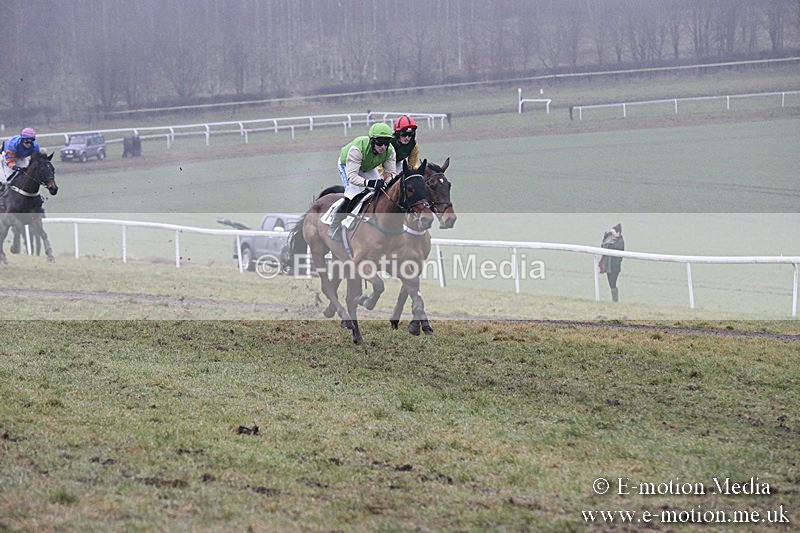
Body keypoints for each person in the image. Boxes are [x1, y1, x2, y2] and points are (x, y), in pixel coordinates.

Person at [328, 122, 397, 240]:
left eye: (386, 143)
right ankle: (334, 225)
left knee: (382, 191)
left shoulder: (390, 151)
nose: (383, 147)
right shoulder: (357, 149)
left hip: (367, 166)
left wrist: (386, 182)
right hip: (348, 166)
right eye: (380, 143)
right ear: (372, 141)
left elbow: (391, 173)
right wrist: (371, 183)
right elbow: (352, 178)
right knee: (353, 194)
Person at [598, 223, 625, 302]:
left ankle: (615, 300)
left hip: (615, 266)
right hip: (609, 266)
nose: (611, 235)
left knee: (612, 283)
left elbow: (615, 247)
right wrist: (606, 237)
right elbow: (603, 246)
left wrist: (608, 240)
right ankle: (615, 300)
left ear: (618, 233)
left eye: (613, 233)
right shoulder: (611, 240)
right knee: (611, 284)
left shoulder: (620, 241)